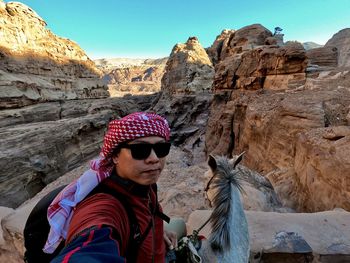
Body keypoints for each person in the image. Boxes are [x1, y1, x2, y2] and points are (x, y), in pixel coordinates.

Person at [45, 112, 179, 263]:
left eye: (161, 148)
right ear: (115, 156)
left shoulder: (145, 186)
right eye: (140, 150)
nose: (154, 159)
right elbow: (89, 250)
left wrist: (156, 232)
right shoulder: (104, 206)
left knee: (178, 224)